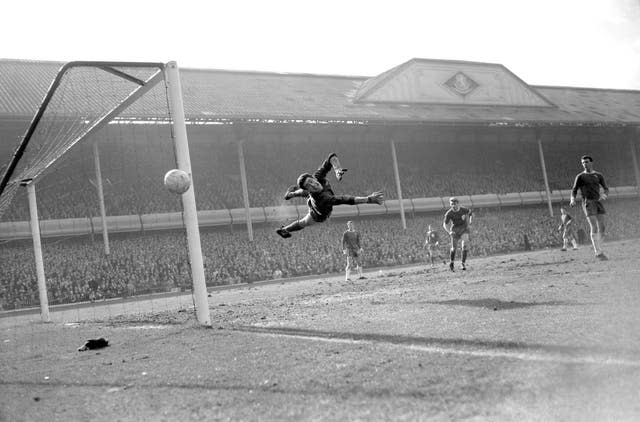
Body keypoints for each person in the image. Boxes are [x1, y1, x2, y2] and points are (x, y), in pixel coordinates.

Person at [276, 153, 384, 238]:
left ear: (313, 178)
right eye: (309, 185)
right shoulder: (324, 199)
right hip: (317, 215)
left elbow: (331, 157)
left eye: (311, 181)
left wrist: (337, 169)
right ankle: (284, 230)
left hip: (312, 198)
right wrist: (368, 199)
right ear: (309, 189)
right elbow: (345, 199)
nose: (313, 185)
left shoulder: (317, 177)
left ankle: (290, 194)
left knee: (304, 193)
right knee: (304, 222)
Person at [570, 155, 609, 260]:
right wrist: (572, 199)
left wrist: (604, 195)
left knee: (602, 227)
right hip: (588, 202)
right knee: (594, 226)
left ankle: (599, 248)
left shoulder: (598, 175)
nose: (585, 164)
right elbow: (574, 189)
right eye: (583, 162)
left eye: (586, 162)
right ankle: (598, 252)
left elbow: (606, 188)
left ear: (591, 163)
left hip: (598, 202)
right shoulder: (580, 176)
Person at [442, 197, 473, 271]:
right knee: (453, 248)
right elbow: (444, 224)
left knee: (465, 244)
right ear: (450, 204)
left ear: (458, 204)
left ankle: (463, 263)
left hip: (464, 229)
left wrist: (470, 222)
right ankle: (452, 262)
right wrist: (449, 231)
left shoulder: (463, 209)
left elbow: (470, 213)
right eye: (452, 204)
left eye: (455, 204)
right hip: (455, 231)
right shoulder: (449, 213)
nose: (453, 205)